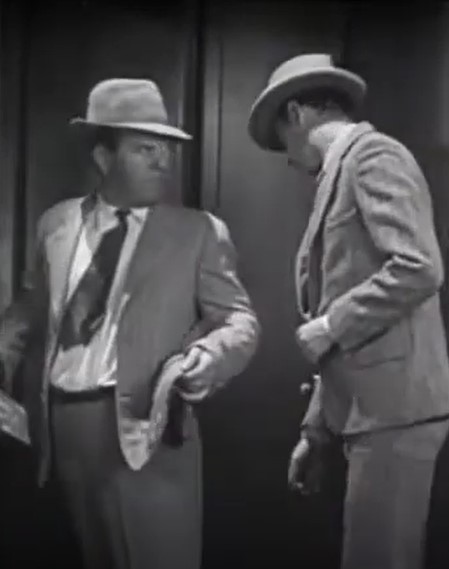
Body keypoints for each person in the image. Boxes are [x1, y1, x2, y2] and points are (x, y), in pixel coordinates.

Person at [0, 78, 260, 569]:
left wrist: (208, 358)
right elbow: (31, 307)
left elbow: (238, 320)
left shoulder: (198, 232)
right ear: (104, 157)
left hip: (147, 428)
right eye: (146, 149)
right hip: (60, 429)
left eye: (166, 150)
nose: (163, 162)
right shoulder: (57, 224)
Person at [248, 53, 449, 569]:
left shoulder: (374, 157)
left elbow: (419, 266)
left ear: (297, 113)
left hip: (397, 408)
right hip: (372, 410)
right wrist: (316, 429)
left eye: (283, 140)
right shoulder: (341, 172)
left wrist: (331, 324)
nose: (288, 158)